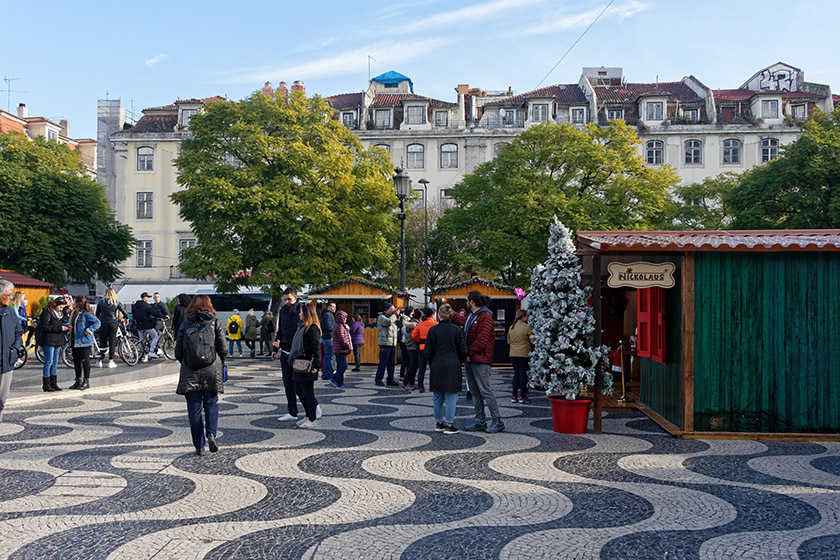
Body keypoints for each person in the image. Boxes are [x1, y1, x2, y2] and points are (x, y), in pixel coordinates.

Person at [174, 294, 228, 455]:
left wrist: (186, 361)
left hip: (190, 371)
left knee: (194, 409)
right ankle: (211, 434)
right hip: (212, 369)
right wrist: (220, 362)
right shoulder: (215, 322)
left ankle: (199, 445)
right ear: (208, 305)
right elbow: (223, 348)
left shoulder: (186, 323)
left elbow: (177, 351)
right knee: (211, 404)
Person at [452, 290, 504, 433]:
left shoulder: (485, 316)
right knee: (475, 392)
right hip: (472, 359)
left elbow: (482, 340)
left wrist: (467, 353)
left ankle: (497, 420)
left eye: (467, 301)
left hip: (481, 359)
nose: (466, 303)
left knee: (485, 391)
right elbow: (464, 322)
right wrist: (453, 314)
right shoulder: (473, 316)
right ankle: (479, 420)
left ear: (472, 302)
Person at [273, 288, 318, 422]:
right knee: (288, 383)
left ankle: (313, 408)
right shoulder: (282, 311)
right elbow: (280, 330)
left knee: (301, 385)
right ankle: (292, 411)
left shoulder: (302, 311)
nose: (287, 302)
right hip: (286, 351)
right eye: (285, 299)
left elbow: (300, 337)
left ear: (296, 297)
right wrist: (275, 349)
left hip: (298, 353)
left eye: (289, 299)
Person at [425, 304, 467, 435]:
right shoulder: (456, 330)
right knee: (451, 396)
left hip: (437, 364)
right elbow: (463, 349)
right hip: (453, 364)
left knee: (437, 396)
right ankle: (449, 424)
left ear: (439, 315)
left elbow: (428, 350)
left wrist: (432, 361)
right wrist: (459, 360)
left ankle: (438, 423)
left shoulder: (433, 330)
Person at [288, 302, 322, 427]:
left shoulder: (312, 328)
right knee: (299, 390)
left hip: (308, 365)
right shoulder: (302, 327)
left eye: (301, 312)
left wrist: (317, 365)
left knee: (308, 392)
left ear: (307, 314)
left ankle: (312, 419)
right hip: (299, 364)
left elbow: (316, 348)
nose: (299, 314)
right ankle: (308, 415)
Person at [0, 280, 23, 422]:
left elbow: (18, 332)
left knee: (2, 400)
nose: (10, 297)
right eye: (8, 295)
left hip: (7, 362)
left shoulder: (10, 312)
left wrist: (15, 348)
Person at [38, 297, 71, 392]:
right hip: (48, 340)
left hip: (58, 339)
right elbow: (45, 327)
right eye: (60, 307)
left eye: (62, 308)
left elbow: (64, 320)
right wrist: (60, 328)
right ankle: (46, 383)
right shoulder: (46, 313)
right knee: (48, 362)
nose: (61, 309)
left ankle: (54, 382)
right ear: (55, 305)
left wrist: (67, 315)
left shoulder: (60, 314)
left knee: (55, 362)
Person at [68, 296, 101, 390]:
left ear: (78, 303)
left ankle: (86, 381)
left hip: (84, 341)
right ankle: (78, 380)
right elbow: (72, 325)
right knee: (76, 362)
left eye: (74, 301)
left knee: (85, 361)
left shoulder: (86, 314)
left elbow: (97, 322)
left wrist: (90, 329)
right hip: (74, 341)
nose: (72, 303)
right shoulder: (74, 313)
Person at [508, 309, 534, 404]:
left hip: (513, 353)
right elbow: (533, 341)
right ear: (522, 317)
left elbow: (508, 340)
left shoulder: (512, 327)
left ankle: (514, 395)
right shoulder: (527, 327)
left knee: (516, 373)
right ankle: (522, 396)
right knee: (523, 373)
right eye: (526, 316)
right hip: (524, 353)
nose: (528, 318)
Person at [95, 288, 126, 369]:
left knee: (102, 342)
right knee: (112, 343)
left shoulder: (101, 302)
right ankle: (110, 361)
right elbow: (124, 313)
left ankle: (99, 361)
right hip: (113, 323)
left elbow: (97, 314)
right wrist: (122, 319)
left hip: (103, 323)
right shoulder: (116, 302)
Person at [411, 308, 438, 393]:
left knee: (422, 368)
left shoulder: (420, 324)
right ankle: (433, 385)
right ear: (433, 315)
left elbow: (413, 335)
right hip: (433, 348)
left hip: (422, 347)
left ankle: (420, 386)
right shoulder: (436, 324)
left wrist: (419, 340)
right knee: (433, 368)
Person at [134, 292, 165, 362]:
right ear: (145, 298)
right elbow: (154, 313)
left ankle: (142, 356)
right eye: (148, 297)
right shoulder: (146, 305)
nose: (148, 299)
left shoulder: (135, 305)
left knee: (142, 341)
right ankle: (151, 351)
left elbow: (134, 315)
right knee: (155, 337)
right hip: (147, 325)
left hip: (139, 325)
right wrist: (163, 316)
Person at [374, 305, 401, 387]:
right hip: (385, 343)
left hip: (392, 343)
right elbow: (388, 322)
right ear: (386, 310)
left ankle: (390, 379)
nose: (393, 311)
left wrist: (401, 317)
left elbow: (400, 325)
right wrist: (394, 315)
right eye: (392, 310)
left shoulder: (393, 317)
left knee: (391, 363)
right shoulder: (381, 317)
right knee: (383, 363)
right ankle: (378, 379)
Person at [330, 310, 351, 388]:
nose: (346, 319)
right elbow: (342, 339)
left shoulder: (340, 325)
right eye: (345, 318)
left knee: (341, 366)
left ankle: (336, 379)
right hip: (341, 349)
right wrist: (347, 347)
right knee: (343, 366)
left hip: (340, 349)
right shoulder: (339, 326)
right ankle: (338, 381)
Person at [401, 309, 421, 390]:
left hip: (409, 346)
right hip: (414, 347)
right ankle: (406, 382)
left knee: (413, 365)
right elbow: (415, 336)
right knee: (413, 366)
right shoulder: (415, 325)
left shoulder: (409, 323)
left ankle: (411, 382)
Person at [320, 302, 336, 381]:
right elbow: (328, 326)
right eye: (333, 307)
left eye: (335, 307)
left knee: (327, 356)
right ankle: (329, 373)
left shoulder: (326, 315)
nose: (334, 309)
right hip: (329, 338)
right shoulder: (328, 315)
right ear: (328, 307)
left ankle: (326, 374)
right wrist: (336, 328)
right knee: (330, 356)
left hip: (326, 338)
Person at [397, 306, 414, 383]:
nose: (413, 313)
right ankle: (403, 375)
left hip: (406, 341)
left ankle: (407, 375)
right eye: (412, 312)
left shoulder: (407, 319)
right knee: (405, 360)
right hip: (404, 342)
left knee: (408, 360)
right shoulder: (405, 319)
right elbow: (404, 330)